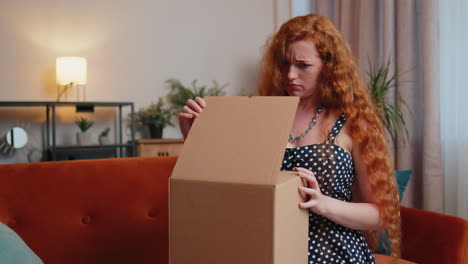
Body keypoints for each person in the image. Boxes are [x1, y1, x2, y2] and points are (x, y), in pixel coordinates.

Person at [178, 14, 401, 263]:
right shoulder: (261, 116)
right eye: (284, 64)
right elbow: (228, 189)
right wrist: (195, 137)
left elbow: (382, 214)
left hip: (334, 253)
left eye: (303, 65)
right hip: (268, 248)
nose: (290, 75)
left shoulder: (354, 121)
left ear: (329, 66)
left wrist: (322, 204)